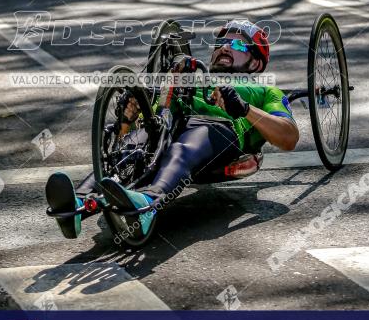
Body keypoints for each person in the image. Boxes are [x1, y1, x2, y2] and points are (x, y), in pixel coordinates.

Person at [45, 20, 300, 241]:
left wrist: (244, 108)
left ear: (256, 64)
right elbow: (139, 126)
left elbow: (289, 137)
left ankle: (148, 204)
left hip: (219, 129)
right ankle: (77, 203)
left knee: (181, 148)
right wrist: (127, 119)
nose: (224, 47)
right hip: (171, 121)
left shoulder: (265, 90)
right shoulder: (189, 76)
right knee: (131, 146)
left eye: (237, 45)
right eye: (222, 43)